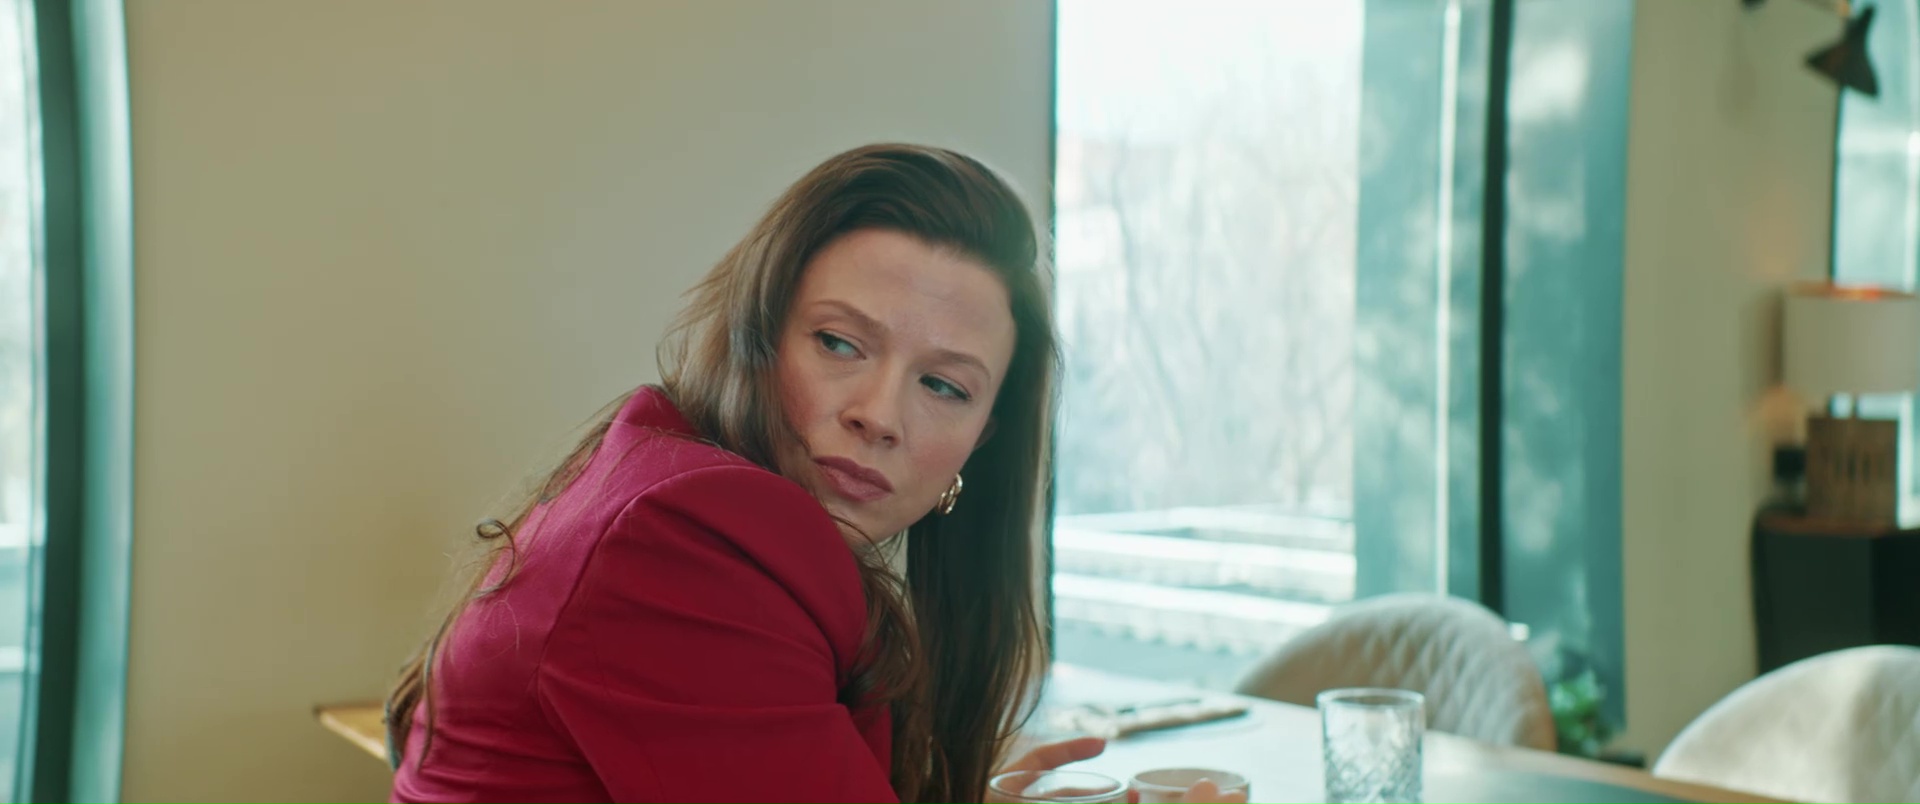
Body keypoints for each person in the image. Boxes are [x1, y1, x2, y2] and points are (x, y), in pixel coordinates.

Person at [384, 144, 1245, 804]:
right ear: (758, 337)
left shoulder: (655, 480)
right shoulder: (682, 539)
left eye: (944, 387)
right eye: (838, 343)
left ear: (982, 441)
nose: (879, 413)